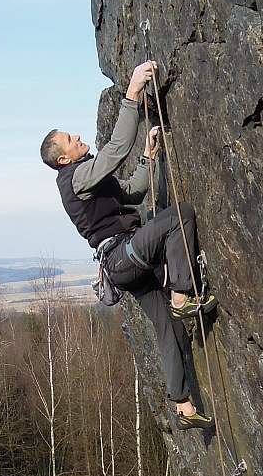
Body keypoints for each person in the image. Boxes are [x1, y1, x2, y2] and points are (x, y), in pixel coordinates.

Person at [40, 61, 216, 430]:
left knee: (168, 328)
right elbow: (117, 148)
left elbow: (132, 192)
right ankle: (182, 296)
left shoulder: (87, 178)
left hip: (122, 264)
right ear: (63, 158)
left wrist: (148, 157)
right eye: (71, 139)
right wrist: (132, 92)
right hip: (123, 255)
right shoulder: (75, 178)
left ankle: (183, 406)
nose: (78, 137)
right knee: (180, 216)